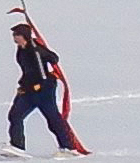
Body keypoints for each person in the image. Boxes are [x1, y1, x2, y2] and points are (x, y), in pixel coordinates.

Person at [7, 20, 86, 156]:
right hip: (29, 89)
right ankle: (17, 147)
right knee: (15, 115)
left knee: (53, 119)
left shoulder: (35, 51)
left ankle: (68, 147)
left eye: (16, 34)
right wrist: (23, 85)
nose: (14, 37)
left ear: (23, 35)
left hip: (43, 90)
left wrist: (36, 86)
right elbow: (28, 71)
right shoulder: (21, 50)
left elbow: (48, 65)